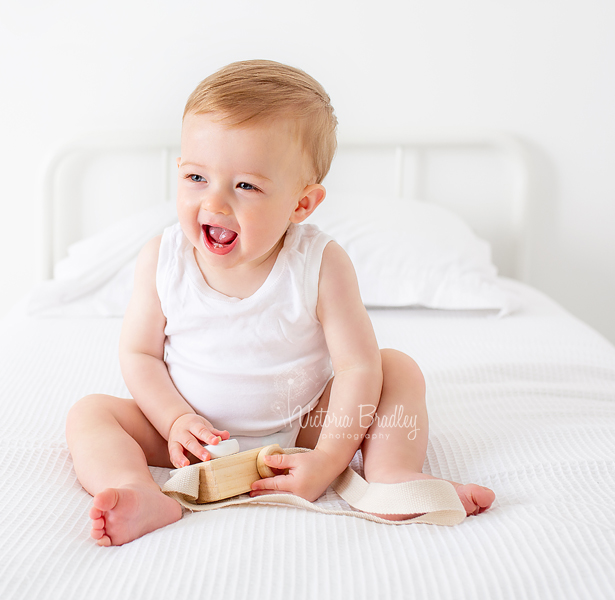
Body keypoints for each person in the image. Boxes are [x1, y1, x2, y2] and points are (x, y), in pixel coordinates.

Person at [65, 59, 495, 547]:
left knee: (395, 369)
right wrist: (174, 420)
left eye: (245, 185)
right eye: (196, 178)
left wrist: (329, 459)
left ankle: (392, 478)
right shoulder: (163, 259)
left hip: (299, 429)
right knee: (90, 414)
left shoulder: (320, 263)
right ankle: (138, 491)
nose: (215, 203)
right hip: (188, 438)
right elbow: (140, 355)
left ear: (301, 204)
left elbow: (356, 368)